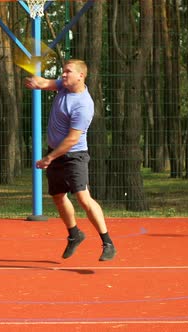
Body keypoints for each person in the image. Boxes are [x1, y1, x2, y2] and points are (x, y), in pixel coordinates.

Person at [24, 59, 116, 261]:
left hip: (74, 155)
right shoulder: (63, 85)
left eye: (68, 71)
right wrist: (34, 80)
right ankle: (75, 235)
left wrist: (49, 157)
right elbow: (44, 83)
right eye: (63, 71)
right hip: (55, 153)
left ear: (81, 76)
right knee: (58, 196)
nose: (63, 74)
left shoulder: (84, 105)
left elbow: (72, 139)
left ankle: (107, 242)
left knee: (83, 197)